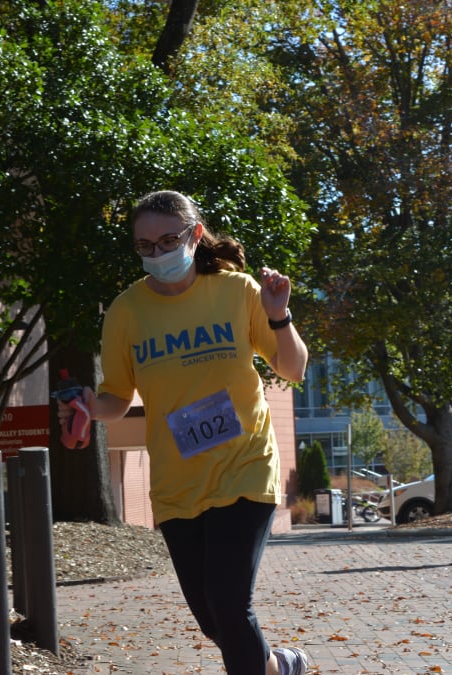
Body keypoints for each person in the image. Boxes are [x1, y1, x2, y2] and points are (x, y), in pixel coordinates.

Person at [60, 190, 310, 675]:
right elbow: (116, 397)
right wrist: (90, 407)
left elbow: (293, 369)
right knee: (213, 619)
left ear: (195, 235)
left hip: (245, 466)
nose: (157, 253)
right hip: (178, 483)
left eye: (167, 240)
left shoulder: (237, 291)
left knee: (230, 604)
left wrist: (279, 315)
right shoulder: (125, 312)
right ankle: (279, 665)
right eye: (144, 246)